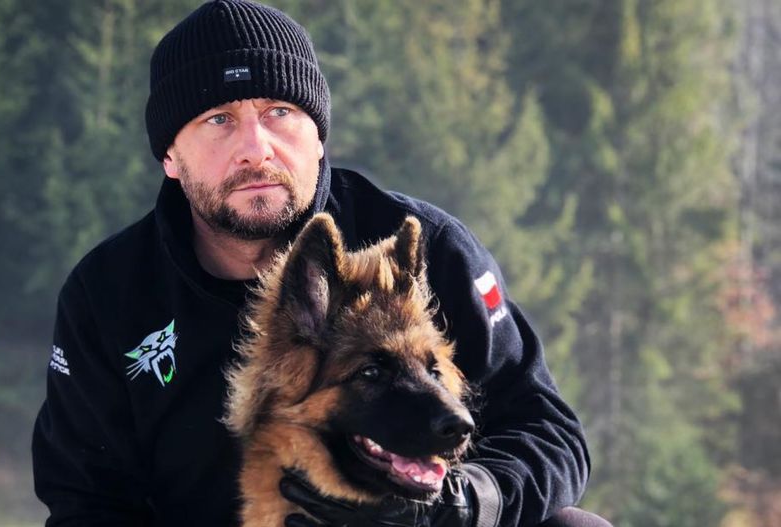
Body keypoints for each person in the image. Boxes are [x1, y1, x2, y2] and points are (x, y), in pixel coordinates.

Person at [31, 1, 612, 526]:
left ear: (319, 136)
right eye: (218, 120)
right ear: (170, 157)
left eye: (279, 111)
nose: (256, 148)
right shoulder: (107, 294)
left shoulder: (431, 248)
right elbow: (86, 499)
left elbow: (546, 431)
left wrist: (467, 505)